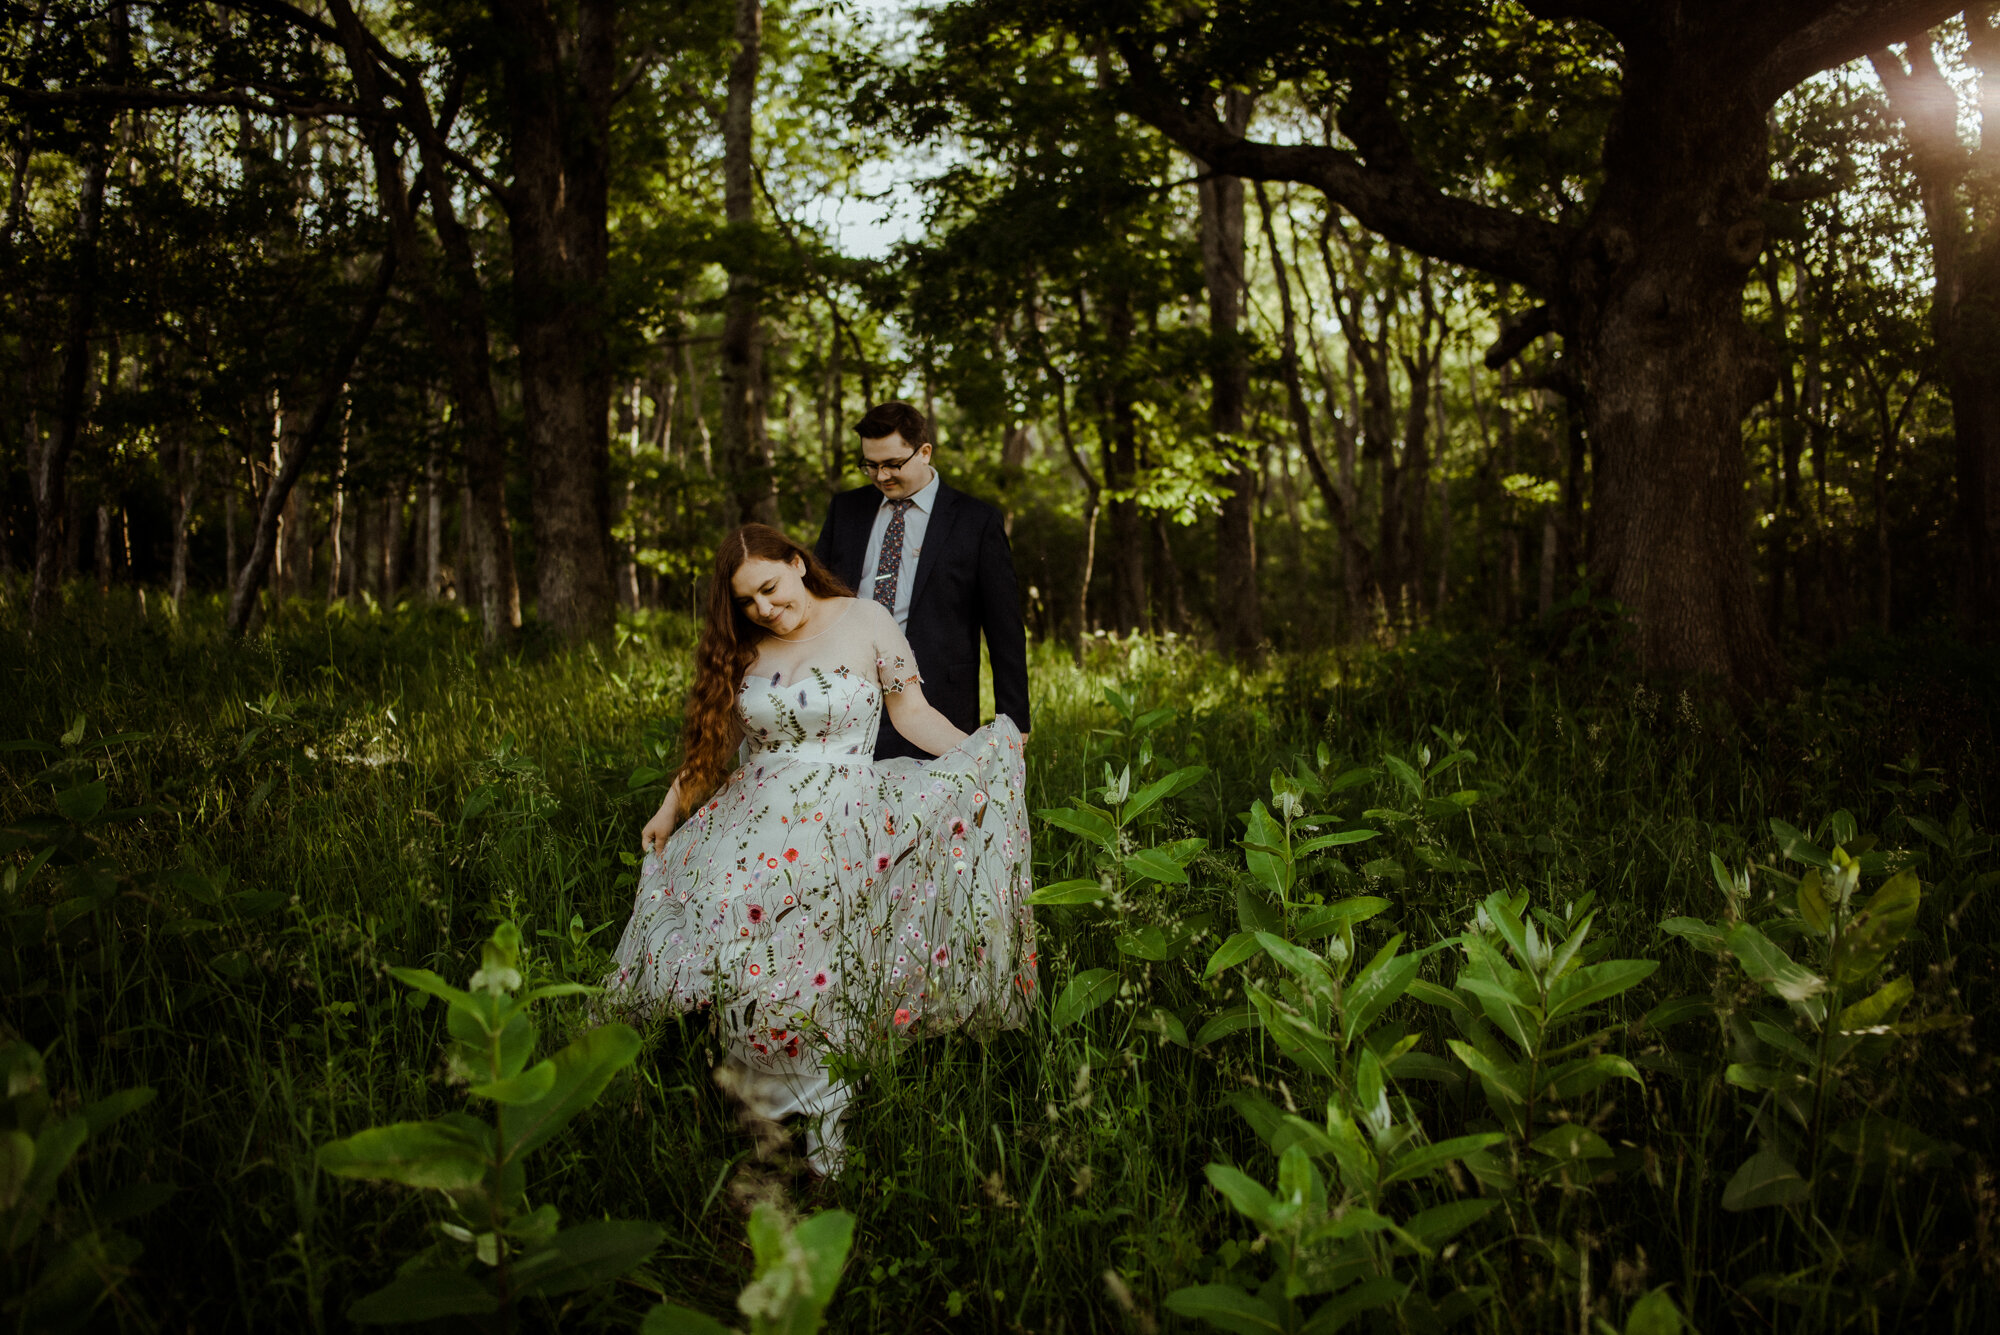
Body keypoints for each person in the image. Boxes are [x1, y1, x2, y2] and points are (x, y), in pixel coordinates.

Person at [603, 524, 1036, 1176]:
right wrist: (670, 806)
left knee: (829, 951)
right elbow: (712, 746)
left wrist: (977, 754)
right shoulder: (743, 645)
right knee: (746, 942)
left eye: (771, 589)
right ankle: (764, 1106)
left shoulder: (866, 620)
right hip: (752, 813)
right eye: (749, 600)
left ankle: (830, 1109)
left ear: (799, 564)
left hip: (844, 806)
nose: (765, 609)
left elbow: (910, 714)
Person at [813, 402, 1031, 761]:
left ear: (925, 452)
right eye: (871, 465)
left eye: (893, 464)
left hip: (938, 700)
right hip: (846, 691)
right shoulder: (845, 510)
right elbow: (818, 599)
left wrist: (1015, 720)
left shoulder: (977, 521)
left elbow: (1004, 628)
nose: (881, 476)